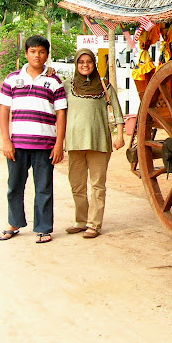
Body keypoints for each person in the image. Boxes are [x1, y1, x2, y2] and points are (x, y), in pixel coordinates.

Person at [0, 35, 67, 243]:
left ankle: (43, 227)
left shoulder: (54, 81)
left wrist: (59, 144)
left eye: (42, 51)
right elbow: (4, 111)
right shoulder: (12, 79)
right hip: (17, 145)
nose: (37, 55)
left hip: (45, 145)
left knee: (44, 187)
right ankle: (14, 223)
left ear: (47, 55)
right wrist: (6, 141)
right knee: (15, 186)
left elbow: (61, 113)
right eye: (33, 51)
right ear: (26, 53)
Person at [62, 48, 124, 238]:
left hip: (99, 141)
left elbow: (118, 111)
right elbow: (57, 109)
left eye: (89, 61)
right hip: (74, 142)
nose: (85, 65)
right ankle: (81, 221)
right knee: (77, 185)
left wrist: (120, 135)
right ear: (76, 64)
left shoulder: (104, 85)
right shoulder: (66, 85)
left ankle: (94, 224)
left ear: (94, 63)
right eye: (81, 62)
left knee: (98, 185)